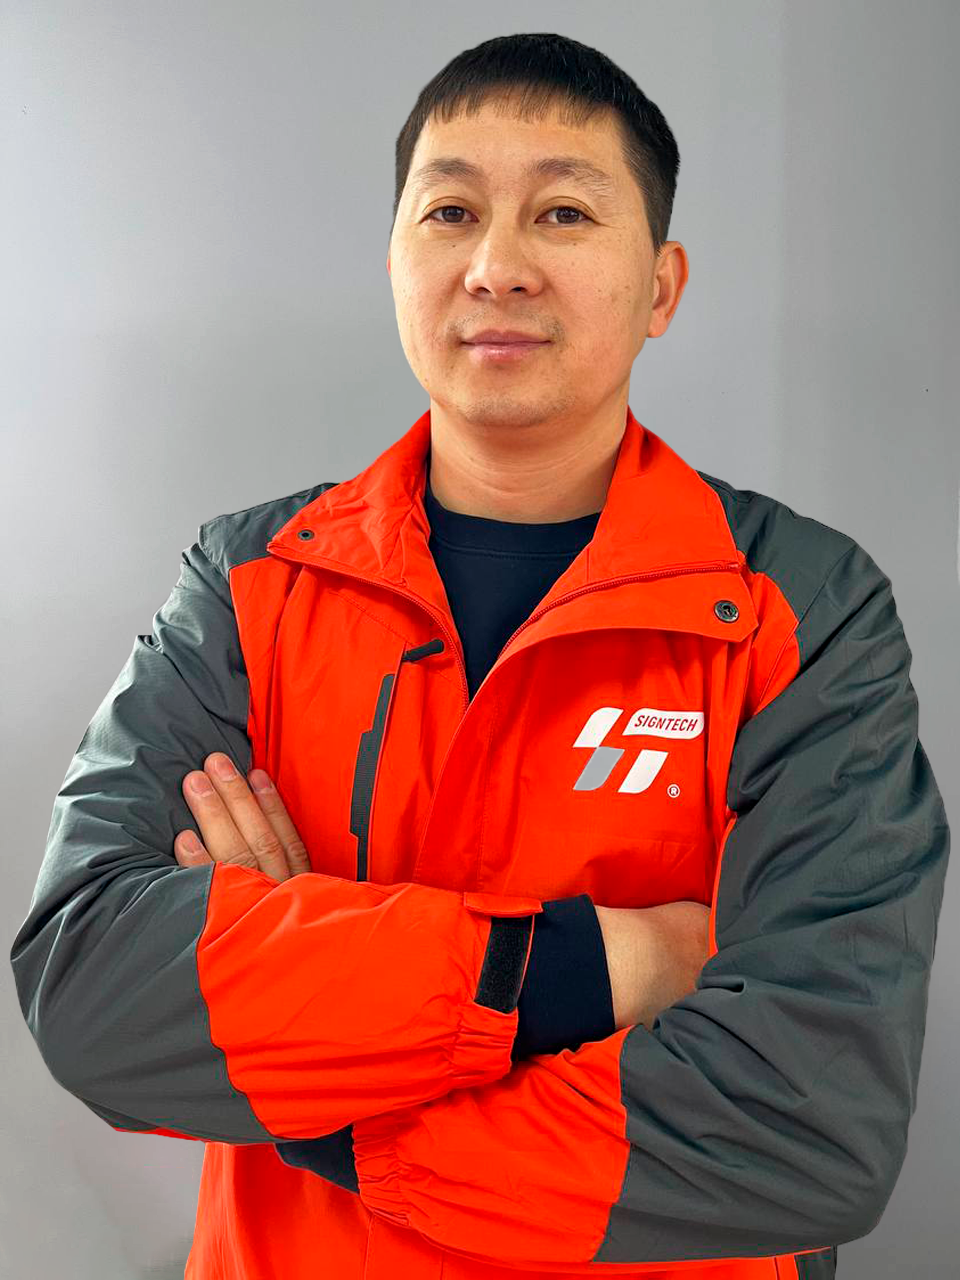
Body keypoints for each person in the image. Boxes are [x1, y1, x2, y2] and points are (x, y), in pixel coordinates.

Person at [9, 32, 949, 1280]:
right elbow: (91, 994)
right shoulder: (248, 585)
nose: (496, 266)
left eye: (564, 212)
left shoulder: (799, 612)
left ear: (661, 287)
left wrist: (310, 1042)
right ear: (397, 263)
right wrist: (606, 965)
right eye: (451, 211)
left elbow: (806, 1128)